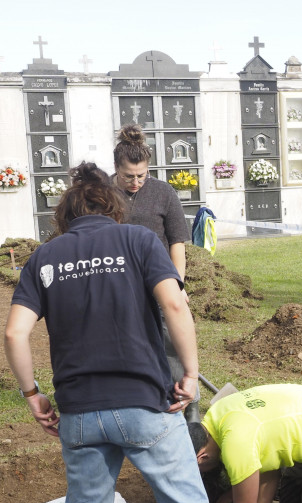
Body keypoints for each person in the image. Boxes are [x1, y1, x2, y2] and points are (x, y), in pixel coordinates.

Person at [3, 162, 258, 503]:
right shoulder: (139, 242)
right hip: (147, 407)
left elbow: (15, 332)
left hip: (79, 415)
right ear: (111, 205)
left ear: (66, 214)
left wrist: (32, 394)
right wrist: (188, 373)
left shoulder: (45, 258)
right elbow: (175, 305)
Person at [113, 124, 201, 423]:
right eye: (128, 176)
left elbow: (177, 242)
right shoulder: (104, 194)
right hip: (118, 284)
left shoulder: (163, 192)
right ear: (116, 169)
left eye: (142, 175)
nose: (136, 182)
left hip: (159, 281)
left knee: (172, 345)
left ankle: (190, 410)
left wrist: (178, 284)